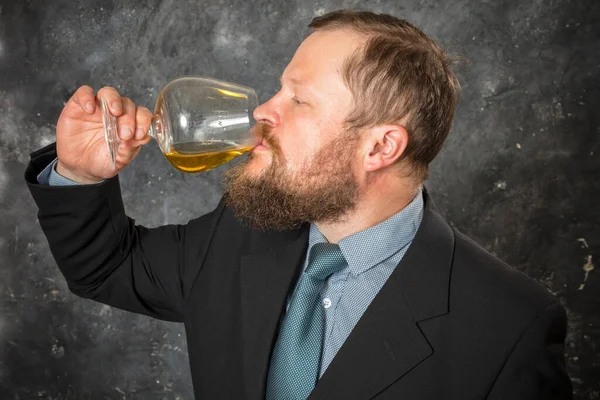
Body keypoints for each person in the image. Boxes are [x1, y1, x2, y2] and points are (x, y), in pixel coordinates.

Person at [25, 9, 572, 400]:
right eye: (278, 89)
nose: (263, 111)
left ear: (381, 146)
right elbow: (107, 268)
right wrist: (78, 173)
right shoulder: (238, 235)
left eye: (298, 99)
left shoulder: (509, 327)